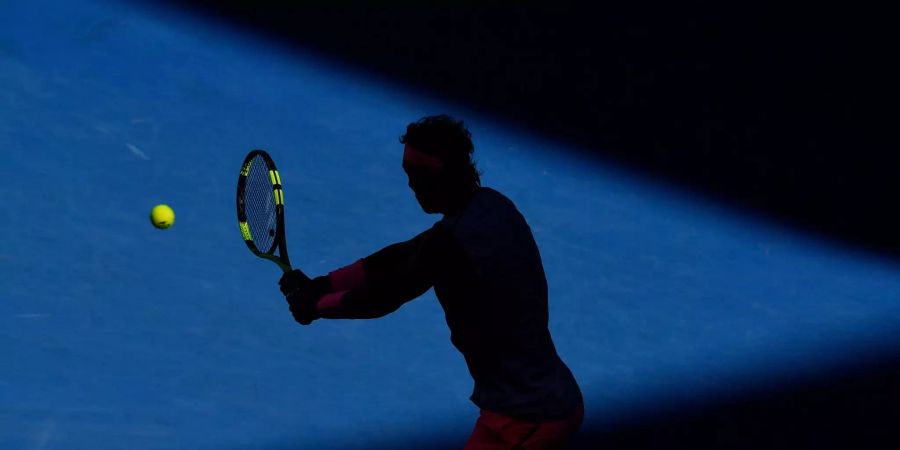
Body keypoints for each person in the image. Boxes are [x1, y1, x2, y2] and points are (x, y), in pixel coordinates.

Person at [279, 115, 584, 449]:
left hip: (528, 418)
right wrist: (323, 284)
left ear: (442, 173)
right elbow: (400, 256)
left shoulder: (452, 243)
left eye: (417, 174)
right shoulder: (492, 206)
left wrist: (315, 305)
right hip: (535, 402)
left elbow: (383, 296)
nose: (411, 185)